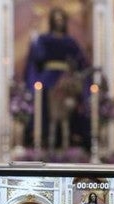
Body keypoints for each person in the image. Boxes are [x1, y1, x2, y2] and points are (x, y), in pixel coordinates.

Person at [23, 7, 90, 148]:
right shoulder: (44, 39)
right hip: (48, 79)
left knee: (69, 111)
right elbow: (36, 58)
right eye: (56, 19)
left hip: (66, 80)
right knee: (46, 109)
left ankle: (70, 140)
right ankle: (45, 139)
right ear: (52, 21)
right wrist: (35, 42)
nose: (59, 22)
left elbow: (81, 62)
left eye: (61, 19)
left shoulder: (70, 41)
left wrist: (76, 75)